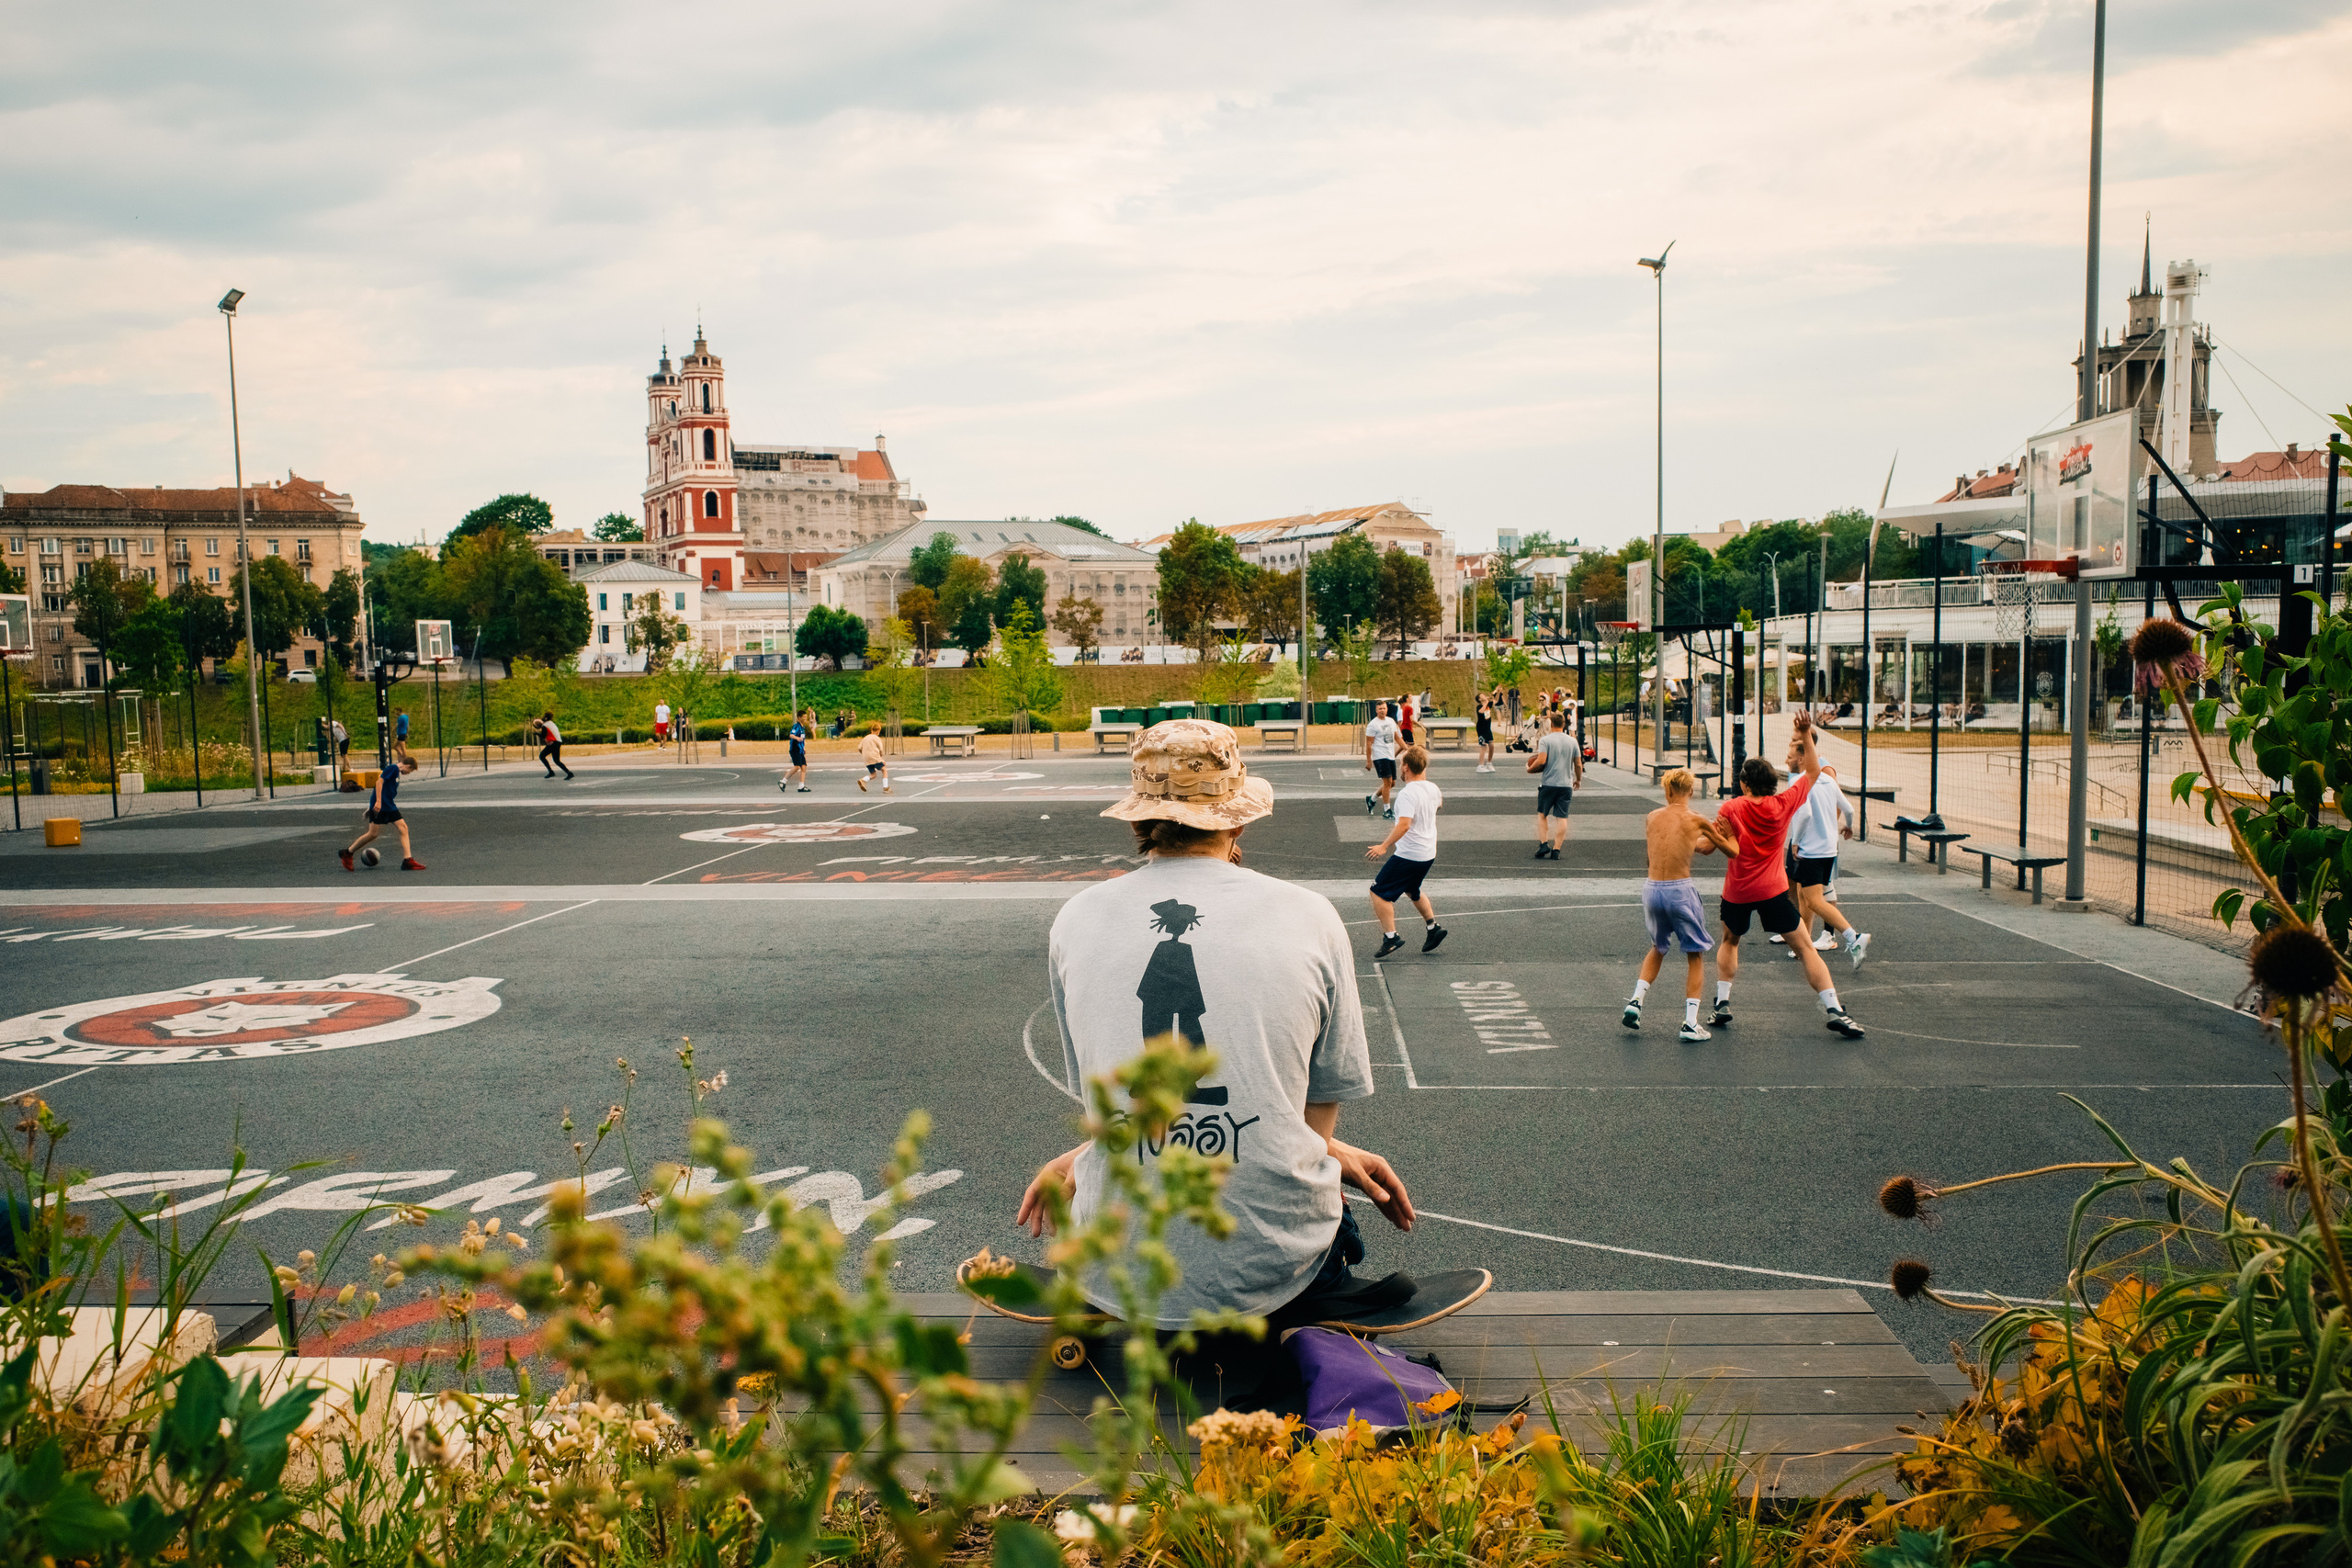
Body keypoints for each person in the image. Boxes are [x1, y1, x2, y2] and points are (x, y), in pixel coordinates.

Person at [1016, 718, 1416, 1332]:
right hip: (1271, 1275)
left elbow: (1108, 1102)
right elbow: (1313, 1120)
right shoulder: (1310, 916)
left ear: (1138, 819)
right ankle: (1317, 1293)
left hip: (1117, 1267)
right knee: (1327, 1197)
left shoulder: (1076, 919)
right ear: (1237, 818)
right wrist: (1329, 1152)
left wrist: (1078, 1161)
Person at [1708, 718, 1866, 1039]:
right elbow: (1812, 772)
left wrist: (1693, 829)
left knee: (1730, 941)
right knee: (1807, 948)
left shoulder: (1731, 807)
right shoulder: (1783, 803)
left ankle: (1722, 1003)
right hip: (1772, 891)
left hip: (1738, 891)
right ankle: (1834, 1008)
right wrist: (1807, 732)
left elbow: (1706, 849)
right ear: (1772, 783)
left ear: (1744, 783)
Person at [1623, 767, 1734, 1041]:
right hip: (1679, 890)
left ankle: (1636, 1001)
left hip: (1652, 889)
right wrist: (1730, 834)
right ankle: (1690, 1022)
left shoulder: (1652, 817)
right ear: (1691, 791)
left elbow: (1672, 848)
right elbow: (1728, 851)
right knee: (1694, 954)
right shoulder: (1696, 819)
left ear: (1667, 790)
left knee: (1658, 947)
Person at [1363, 745, 1447, 958]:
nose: (1400, 768)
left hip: (1411, 854)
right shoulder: (1433, 788)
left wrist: (1384, 846)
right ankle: (1433, 928)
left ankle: (1391, 937)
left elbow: (1404, 825)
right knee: (1412, 889)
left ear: (1407, 767)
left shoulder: (1407, 794)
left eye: (1401, 764)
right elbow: (1438, 806)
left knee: (1378, 892)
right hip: (1428, 852)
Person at [340, 759, 424, 872]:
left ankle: (407, 860)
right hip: (383, 805)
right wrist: (378, 802)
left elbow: (385, 789)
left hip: (389, 805)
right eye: (410, 771)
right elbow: (379, 782)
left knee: (403, 828)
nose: (409, 773)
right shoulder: (393, 768)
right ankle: (348, 852)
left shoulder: (395, 772)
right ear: (408, 766)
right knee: (373, 834)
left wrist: (371, 806)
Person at [1526, 711, 1582, 861]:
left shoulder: (1546, 740)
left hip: (1548, 784)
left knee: (1543, 815)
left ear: (1551, 724)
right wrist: (1578, 780)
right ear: (1564, 724)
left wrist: (1530, 769)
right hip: (1566, 784)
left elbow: (1541, 760)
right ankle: (1556, 850)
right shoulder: (1572, 741)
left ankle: (1544, 844)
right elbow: (1578, 763)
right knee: (1562, 817)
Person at [1362, 700, 1402, 819]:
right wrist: (1368, 761)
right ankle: (1387, 810)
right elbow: (1369, 743)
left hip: (1390, 755)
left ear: (1387, 709)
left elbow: (1397, 738)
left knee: (1391, 783)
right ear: (1376, 710)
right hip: (1380, 756)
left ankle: (1372, 799)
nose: (1382, 711)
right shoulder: (1373, 724)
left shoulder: (1390, 721)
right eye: (1380, 709)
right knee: (1387, 782)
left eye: (1384, 708)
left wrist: (1408, 748)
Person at [856, 720, 891, 793]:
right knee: (884, 770)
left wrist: (864, 754)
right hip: (875, 756)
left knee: (873, 774)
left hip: (866, 758)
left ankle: (863, 780)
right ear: (878, 731)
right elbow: (881, 750)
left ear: (871, 730)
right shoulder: (877, 738)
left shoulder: (865, 738)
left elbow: (859, 748)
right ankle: (886, 788)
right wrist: (882, 760)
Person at [783, 708, 812, 793]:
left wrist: (803, 749)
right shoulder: (796, 726)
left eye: (806, 717)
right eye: (803, 717)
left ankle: (801, 786)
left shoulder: (803, 727)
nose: (805, 718)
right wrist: (797, 738)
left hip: (800, 750)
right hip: (795, 749)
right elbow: (791, 735)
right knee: (797, 767)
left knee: (804, 767)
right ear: (799, 718)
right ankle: (783, 781)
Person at [538, 711, 573, 779]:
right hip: (558, 742)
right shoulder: (552, 723)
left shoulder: (545, 725)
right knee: (557, 760)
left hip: (553, 743)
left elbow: (543, 735)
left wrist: (537, 733)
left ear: (545, 717)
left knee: (542, 756)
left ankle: (551, 772)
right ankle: (569, 773)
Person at [1475, 693, 1496, 773]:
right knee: (1484, 745)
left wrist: (1498, 692)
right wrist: (1486, 702)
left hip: (1488, 728)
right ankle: (1480, 765)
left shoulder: (1488, 705)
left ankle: (1489, 763)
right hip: (1481, 728)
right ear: (1480, 699)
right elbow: (1481, 712)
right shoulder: (1479, 707)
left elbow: (1495, 701)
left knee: (1491, 745)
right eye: (1482, 696)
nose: (1484, 696)